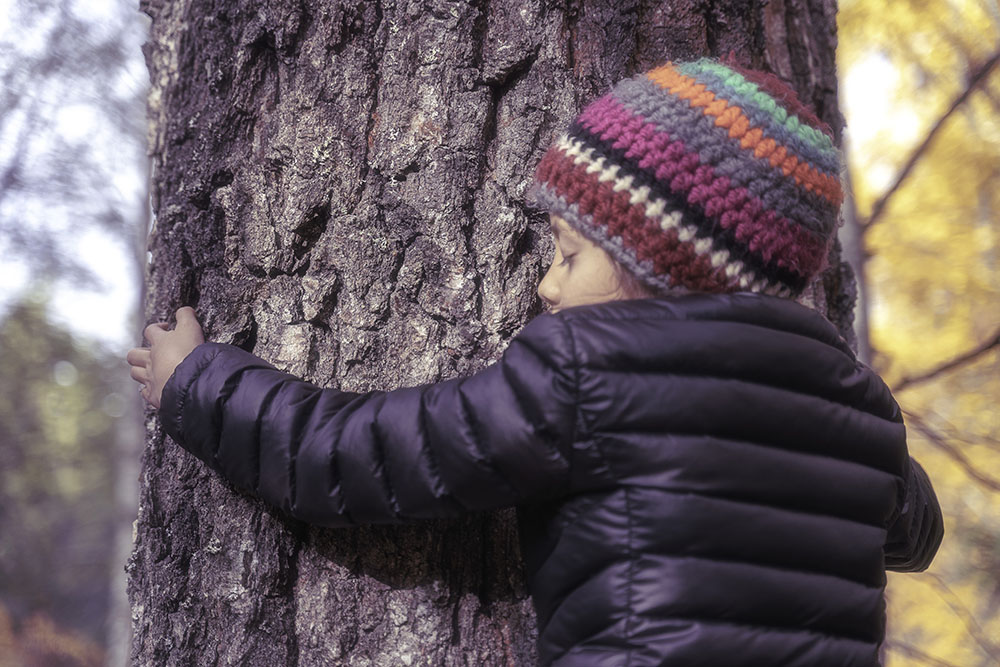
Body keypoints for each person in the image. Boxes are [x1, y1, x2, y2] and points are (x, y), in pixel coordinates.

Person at [127, 58, 944, 666]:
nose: (547, 286)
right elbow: (917, 534)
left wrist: (198, 382)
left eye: (569, 254)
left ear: (660, 266)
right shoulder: (858, 409)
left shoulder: (593, 374)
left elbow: (365, 454)